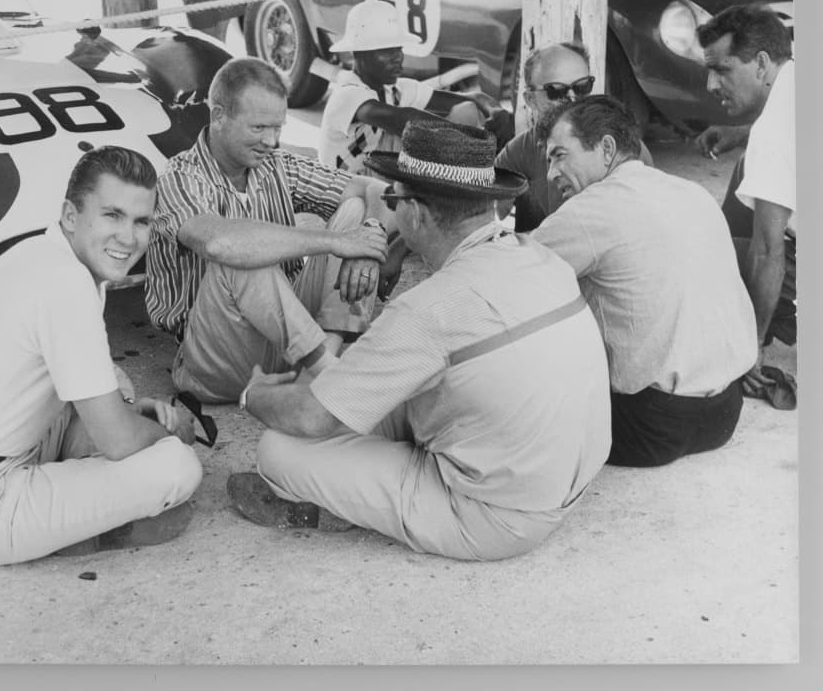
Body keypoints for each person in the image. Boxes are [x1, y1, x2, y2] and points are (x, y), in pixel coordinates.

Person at [226, 119, 612, 561]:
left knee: (279, 449)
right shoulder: (541, 257)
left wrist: (253, 396)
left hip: (497, 518)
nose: (389, 208)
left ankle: (332, 509)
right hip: (569, 478)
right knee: (373, 393)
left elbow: (313, 419)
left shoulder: (427, 310)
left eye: (393, 198)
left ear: (418, 213)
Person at [0, 147, 204, 568]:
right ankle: (78, 530)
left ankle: (68, 507)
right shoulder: (65, 284)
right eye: (112, 215)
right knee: (178, 466)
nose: (129, 237)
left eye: (141, 221)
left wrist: (132, 416)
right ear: (70, 216)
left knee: (116, 385)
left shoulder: (46, 257)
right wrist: (167, 434)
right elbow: (117, 442)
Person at [144, 57, 392, 404]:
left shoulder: (276, 164)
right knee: (242, 253)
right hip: (218, 358)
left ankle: (323, 364)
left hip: (288, 340)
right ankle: (328, 376)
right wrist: (339, 243)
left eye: (278, 128)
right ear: (218, 117)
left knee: (355, 210)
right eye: (259, 128)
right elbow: (220, 244)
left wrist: (370, 235)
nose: (272, 141)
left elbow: (374, 190)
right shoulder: (180, 178)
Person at [532, 96, 758, 468]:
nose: (552, 174)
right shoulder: (692, 192)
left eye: (559, 155)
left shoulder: (593, 209)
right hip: (725, 414)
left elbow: (507, 273)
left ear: (606, 148)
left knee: (511, 394)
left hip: (651, 427)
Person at [696, 4, 797, 396]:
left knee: (703, 255)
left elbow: (769, 250)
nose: (710, 85)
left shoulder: (774, 131)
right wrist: (742, 132)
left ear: (760, 63)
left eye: (721, 70)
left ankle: (755, 323)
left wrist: (749, 345)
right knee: (745, 170)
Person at [318, 0, 505, 173]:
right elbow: (402, 119)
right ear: (358, 53)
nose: (398, 57)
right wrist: (470, 141)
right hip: (342, 190)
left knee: (468, 111)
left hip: (371, 178)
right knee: (419, 133)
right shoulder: (347, 93)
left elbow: (467, 100)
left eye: (398, 48)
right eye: (386, 50)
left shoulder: (395, 90)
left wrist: (493, 108)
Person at [496, 42, 654, 232]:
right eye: (556, 91)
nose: (572, 99)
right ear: (530, 99)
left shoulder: (626, 148)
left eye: (581, 87)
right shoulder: (520, 151)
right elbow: (492, 214)